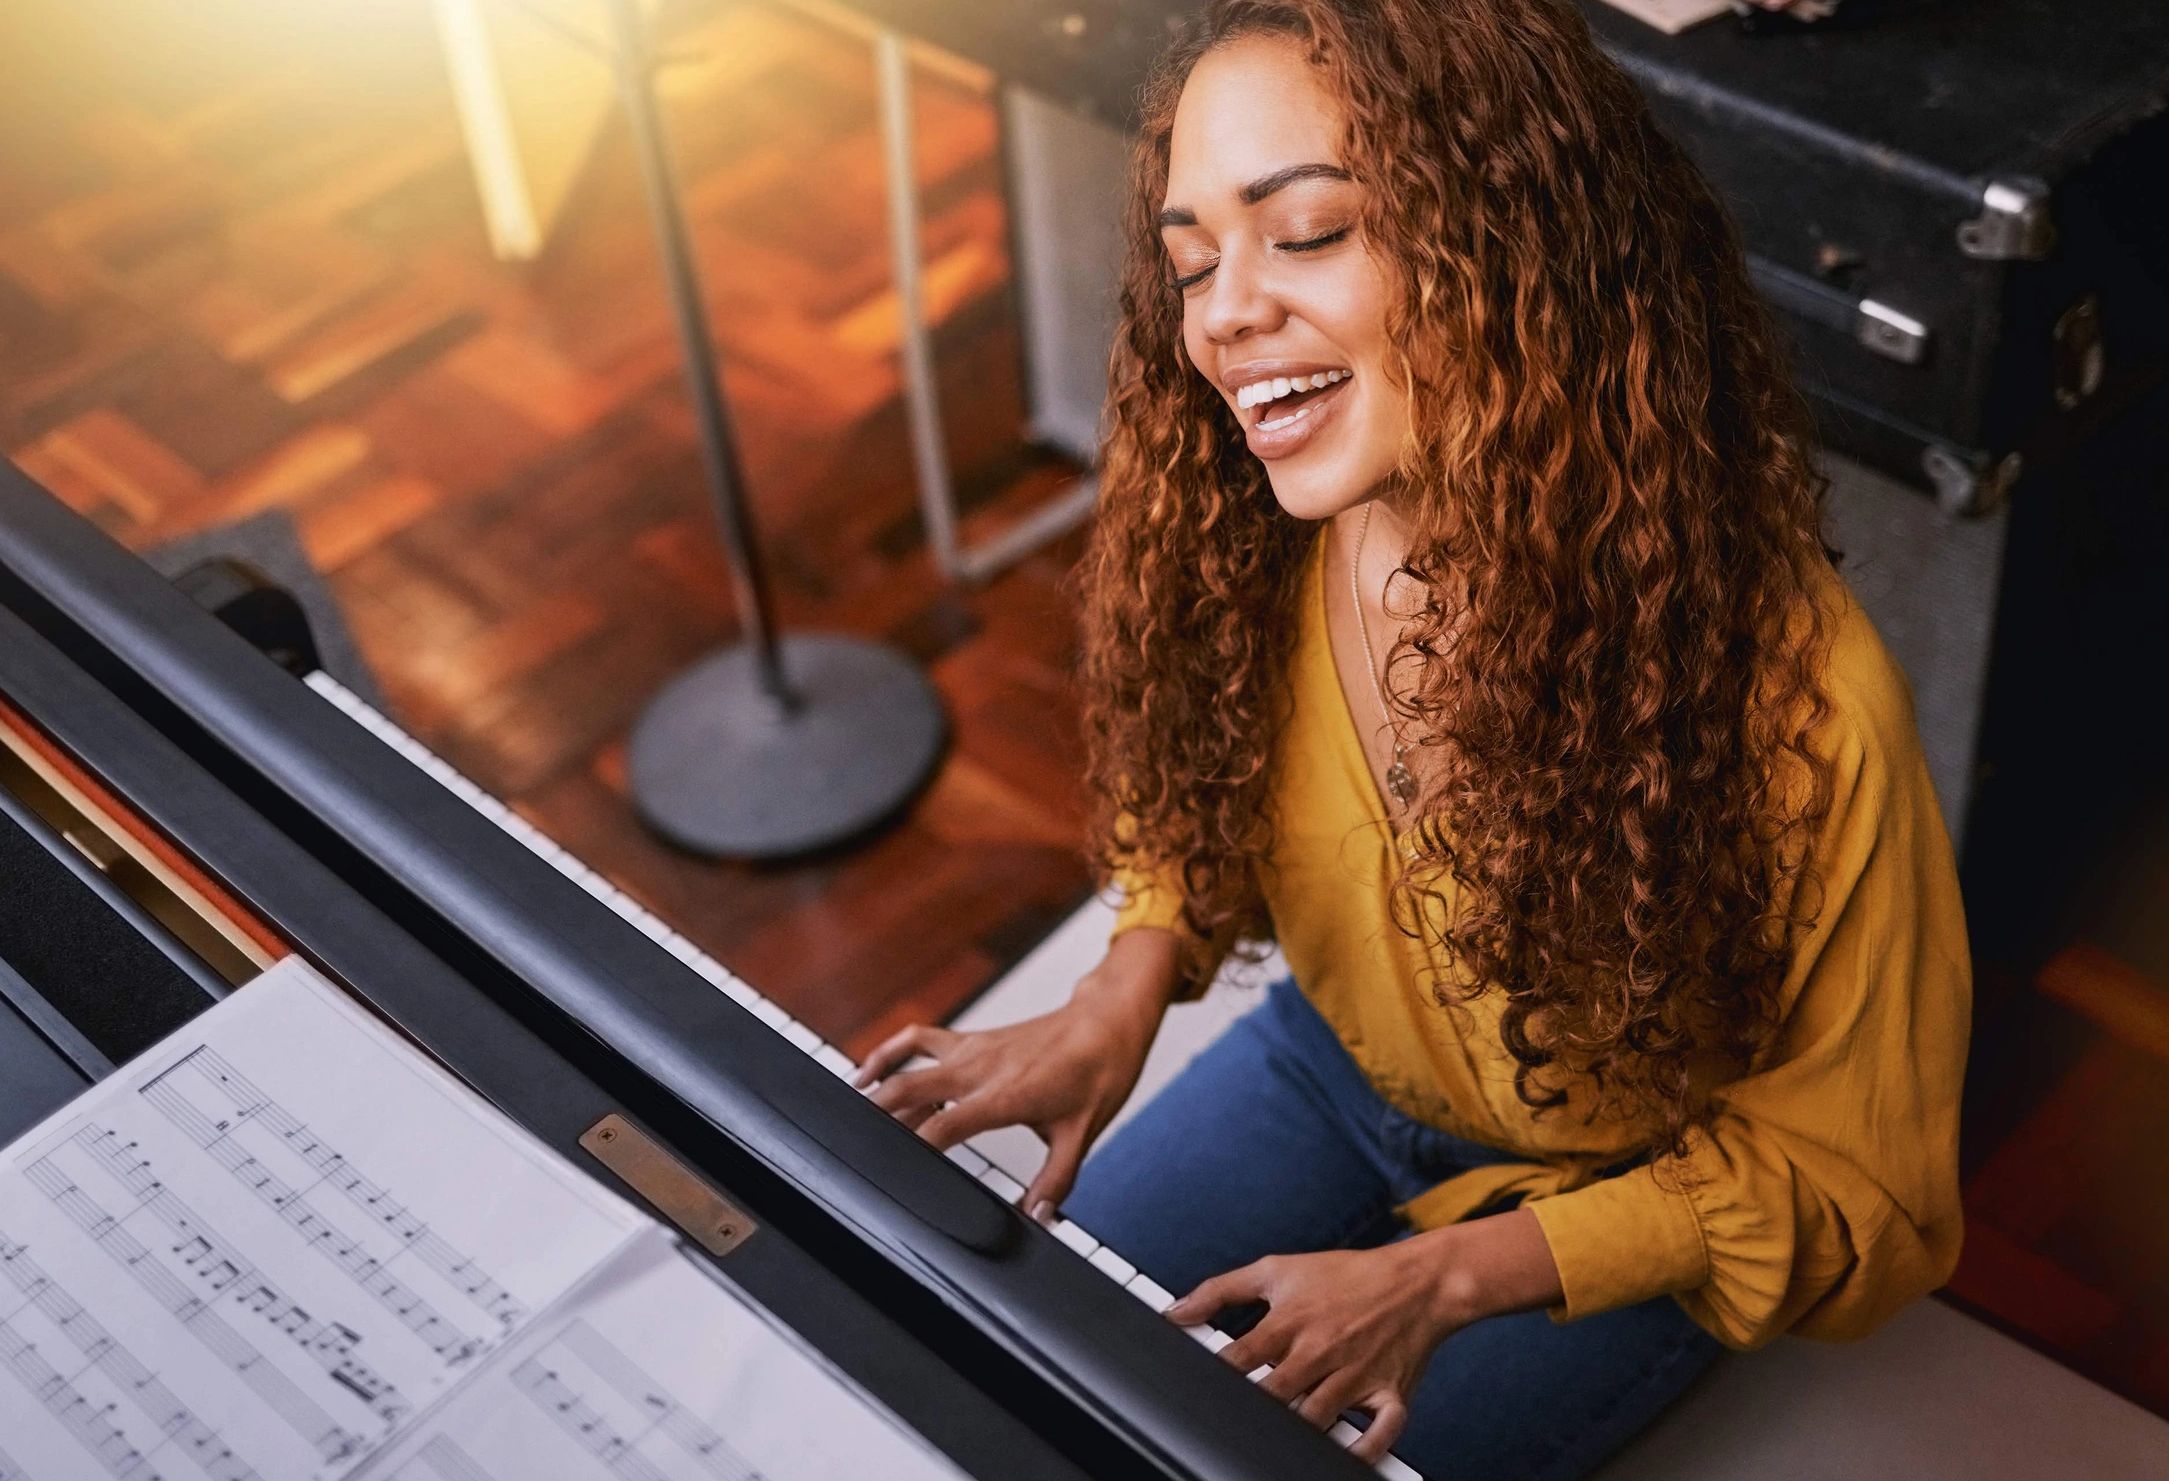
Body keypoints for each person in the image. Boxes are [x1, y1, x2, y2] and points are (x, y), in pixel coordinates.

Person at [855, 2, 1969, 1475]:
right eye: (1192, 259)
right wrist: (1128, 979)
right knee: (1025, 1369)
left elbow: (1854, 1190)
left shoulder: (1804, 696)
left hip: (1625, 1189)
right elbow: (1205, 784)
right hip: (1334, 1066)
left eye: (1303, 230)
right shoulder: (1254, 513)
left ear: (1518, 246)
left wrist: (1442, 1278)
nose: (1221, 313)